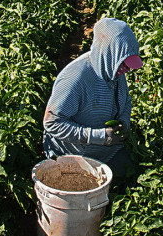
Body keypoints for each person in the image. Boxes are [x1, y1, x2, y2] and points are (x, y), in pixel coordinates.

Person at [43, 17, 142, 176]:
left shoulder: (114, 70)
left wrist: (124, 121)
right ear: (109, 54)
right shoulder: (75, 79)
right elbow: (52, 123)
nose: (128, 69)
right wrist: (99, 137)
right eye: (124, 63)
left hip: (108, 152)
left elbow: (126, 101)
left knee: (132, 176)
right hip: (75, 157)